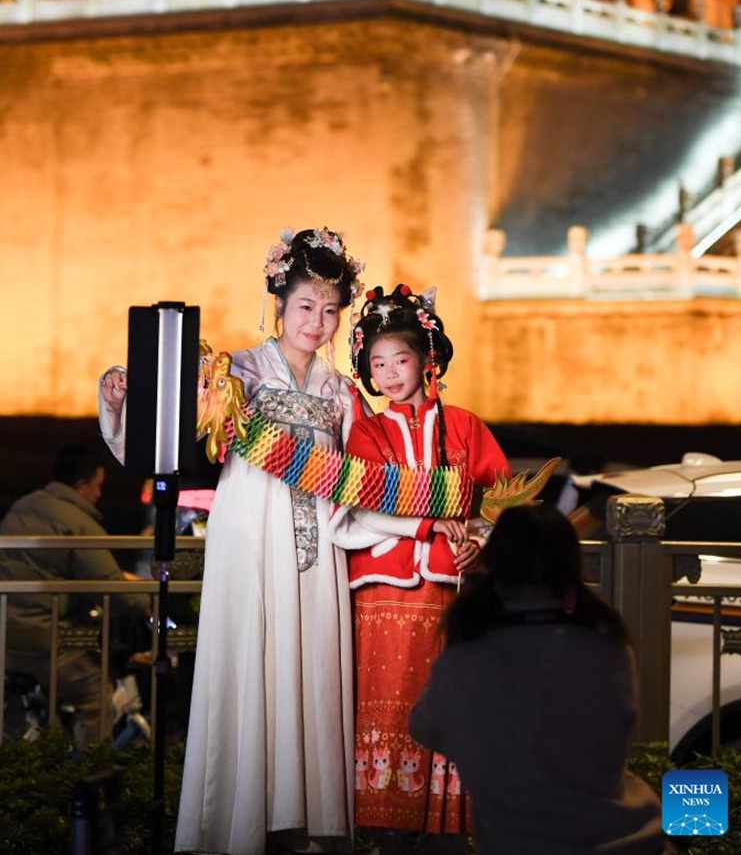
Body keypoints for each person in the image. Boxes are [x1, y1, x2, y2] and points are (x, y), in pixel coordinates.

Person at [98, 226, 367, 855]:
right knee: (249, 665)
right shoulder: (236, 372)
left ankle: (308, 830)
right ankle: (237, 826)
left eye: (330, 311)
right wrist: (119, 390)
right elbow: (167, 423)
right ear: (279, 304)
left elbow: (371, 474)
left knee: (312, 671)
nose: (317, 322)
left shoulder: (342, 392)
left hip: (318, 554)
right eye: (305, 306)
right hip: (249, 545)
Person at [328, 285, 510, 853]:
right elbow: (357, 509)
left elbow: (501, 495)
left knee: (447, 697)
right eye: (376, 364)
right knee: (387, 701)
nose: (387, 373)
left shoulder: (464, 425)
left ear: (427, 360)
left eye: (400, 359)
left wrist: (480, 536)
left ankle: (447, 826)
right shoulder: (367, 431)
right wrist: (428, 524)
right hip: (382, 592)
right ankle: (388, 824)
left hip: (448, 589)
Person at [409, 504, 666, 855]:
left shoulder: (468, 659)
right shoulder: (606, 646)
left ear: (495, 565)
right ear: (571, 567)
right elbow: (621, 723)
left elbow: (425, 727)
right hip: (637, 839)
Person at [0, 443, 149, 748]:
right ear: (81, 485)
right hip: (42, 647)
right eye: (98, 486)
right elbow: (109, 585)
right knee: (95, 688)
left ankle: (19, 763)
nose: (99, 494)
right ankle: (90, 772)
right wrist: (149, 600)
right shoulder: (77, 522)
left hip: (6, 640)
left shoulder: (21, 508)